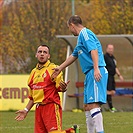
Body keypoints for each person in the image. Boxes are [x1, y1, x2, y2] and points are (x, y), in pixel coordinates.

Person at [52, 15, 108, 133]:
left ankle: (100, 131)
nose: (69, 30)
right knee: (87, 107)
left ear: (72, 25)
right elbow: (74, 55)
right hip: (90, 73)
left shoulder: (85, 33)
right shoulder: (80, 39)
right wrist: (60, 68)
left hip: (95, 71)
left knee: (93, 105)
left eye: (69, 27)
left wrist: (96, 68)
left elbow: (94, 50)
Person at [15, 44, 77, 133]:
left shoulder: (53, 68)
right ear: (36, 55)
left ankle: (71, 131)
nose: (42, 54)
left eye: (45, 52)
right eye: (40, 52)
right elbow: (33, 97)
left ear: (48, 56)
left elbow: (60, 87)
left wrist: (63, 88)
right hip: (39, 109)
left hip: (51, 106)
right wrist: (26, 110)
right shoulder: (33, 72)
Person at [104, 44, 124, 112]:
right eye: (109, 48)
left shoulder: (113, 57)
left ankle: (109, 107)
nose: (111, 50)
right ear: (107, 49)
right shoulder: (105, 57)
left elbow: (115, 67)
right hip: (107, 76)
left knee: (112, 91)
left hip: (112, 77)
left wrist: (119, 75)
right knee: (108, 91)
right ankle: (110, 107)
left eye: (112, 48)